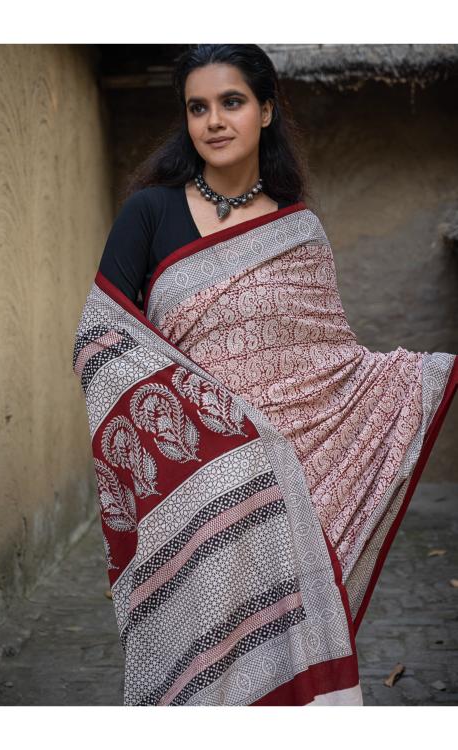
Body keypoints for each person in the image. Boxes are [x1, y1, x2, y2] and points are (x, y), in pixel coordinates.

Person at [73, 44, 458, 707]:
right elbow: (100, 340)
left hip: (282, 491)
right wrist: (206, 423)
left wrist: (427, 375)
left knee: (282, 663)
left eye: (231, 102)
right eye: (198, 107)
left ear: (267, 110)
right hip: (195, 488)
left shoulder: (299, 231)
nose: (213, 121)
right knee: (203, 673)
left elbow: (334, 364)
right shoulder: (149, 214)